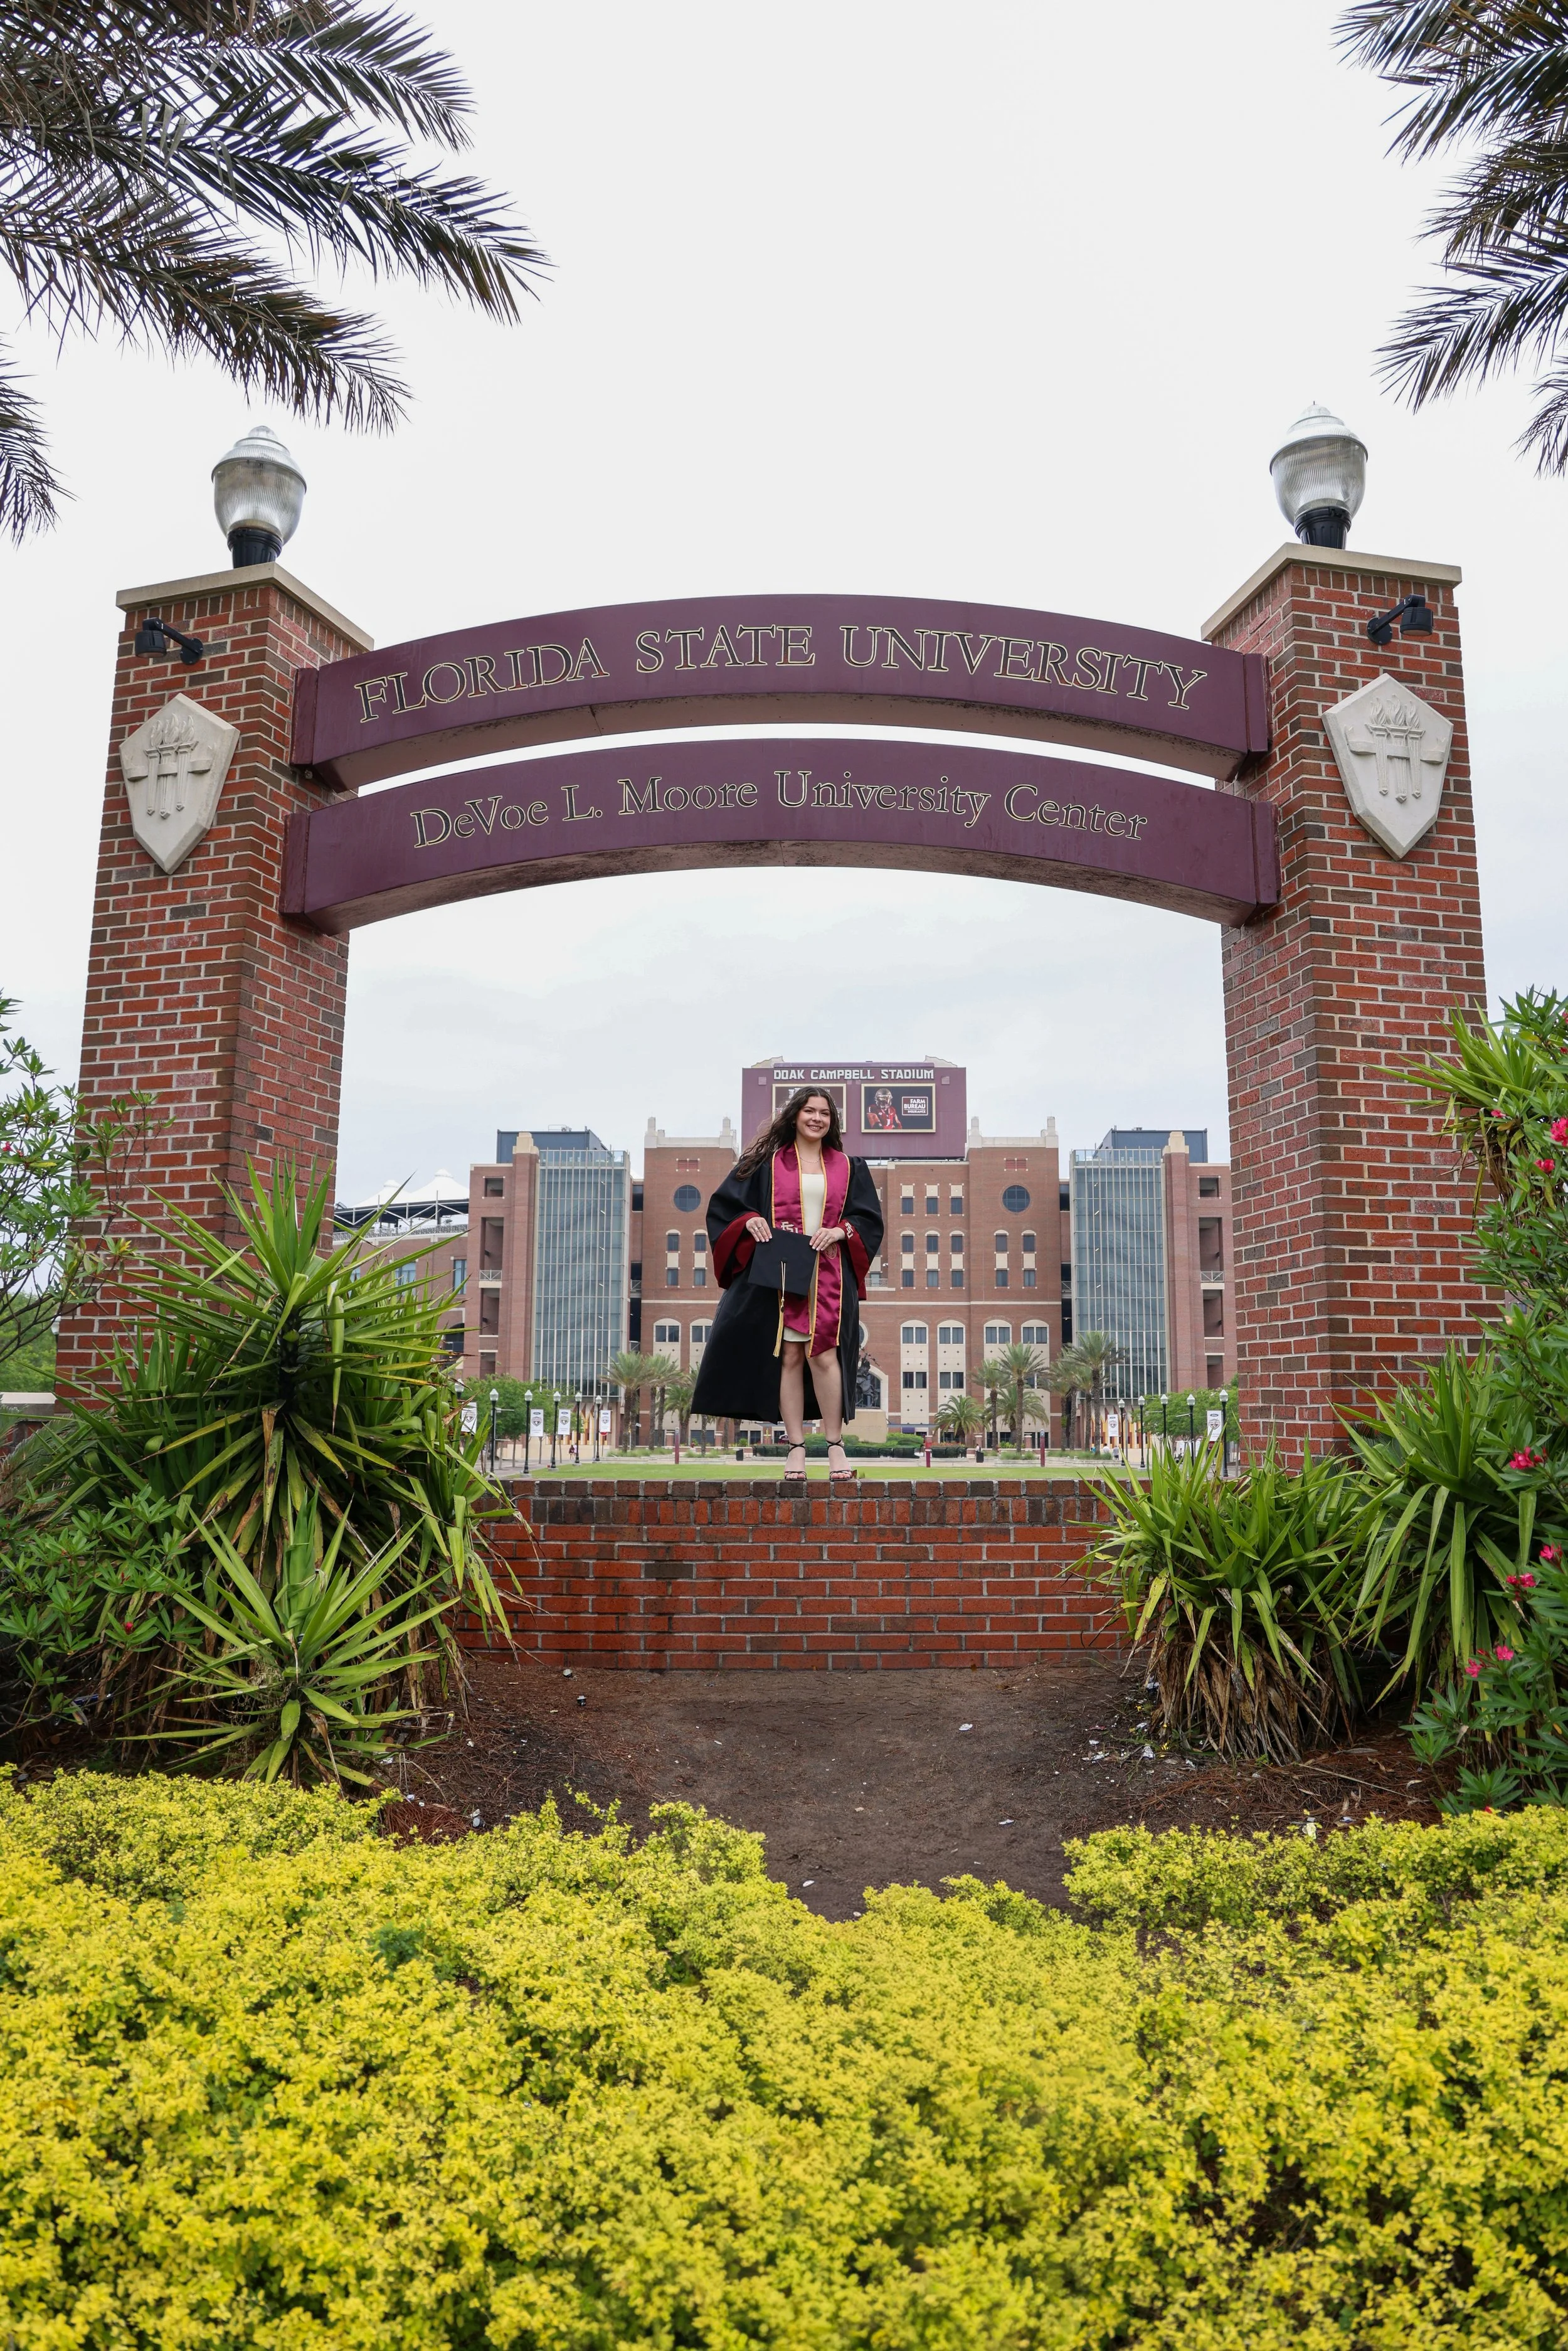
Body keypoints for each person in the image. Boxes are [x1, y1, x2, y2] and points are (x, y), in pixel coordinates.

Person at [692, 1086, 884, 1481]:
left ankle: (835, 1447)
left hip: (829, 1272)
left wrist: (841, 1231)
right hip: (782, 1268)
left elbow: (868, 1219)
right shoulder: (766, 1163)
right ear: (795, 1115)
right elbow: (726, 1206)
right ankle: (795, 1448)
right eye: (810, 1110)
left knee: (824, 1356)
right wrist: (749, 1220)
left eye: (825, 1113)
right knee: (791, 1357)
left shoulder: (849, 1167)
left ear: (832, 1122)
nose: (817, 1118)